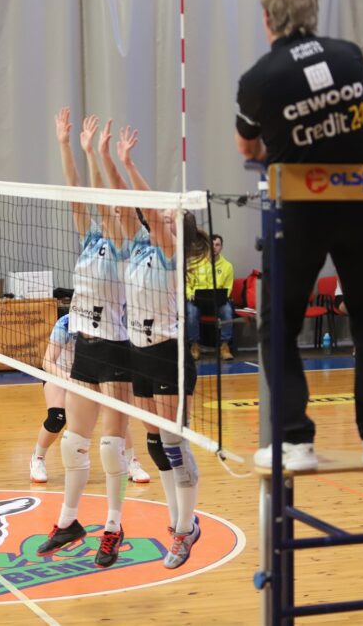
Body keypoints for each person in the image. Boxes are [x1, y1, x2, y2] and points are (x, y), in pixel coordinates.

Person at [235, 0, 363, 470]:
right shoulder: (351, 57)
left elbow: (247, 146)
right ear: (313, 10)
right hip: (360, 206)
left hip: (299, 212)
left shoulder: (258, 79)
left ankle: (295, 439)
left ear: (267, 17)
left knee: (278, 323)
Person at [107, 122, 208, 569]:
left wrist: (130, 163)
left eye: (168, 217)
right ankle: (177, 520)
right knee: (153, 445)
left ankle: (186, 530)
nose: (160, 218)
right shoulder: (139, 248)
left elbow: (147, 207)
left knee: (173, 445)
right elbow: (128, 204)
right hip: (139, 352)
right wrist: (109, 160)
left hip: (168, 354)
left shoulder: (171, 253)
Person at [36, 109, 132, 569]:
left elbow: (102, 198)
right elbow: (77, 194)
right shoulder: (92, 239)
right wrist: (65, 145)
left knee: (112, 447)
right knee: (74, 441)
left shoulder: (128, 241)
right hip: (84, 348)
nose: (105, 208)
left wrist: (96, 155)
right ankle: (69, 522)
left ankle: (113, 526)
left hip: (118, 351)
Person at [30, 312, 150, 485]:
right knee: (57, 417)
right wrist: (67, 377)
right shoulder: (65, 324)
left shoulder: (107, 324)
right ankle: (38, 458)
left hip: (91, 374)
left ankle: (132, 462)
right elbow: (47, 362)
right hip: (61, 373)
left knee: (117, 415)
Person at [186, 234, 235, 361]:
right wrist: (190, 294)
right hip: (197, 301)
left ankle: (224, 346)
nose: (214, 247)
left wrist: (224, 296)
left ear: (221, 247)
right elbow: (187, 284)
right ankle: (194, 346)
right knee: (191, 311)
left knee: (227, 310)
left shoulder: (227, 266)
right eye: (212, 245)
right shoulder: (195, 263)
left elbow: (228, 287)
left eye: (217, 245)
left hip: (217, 302)